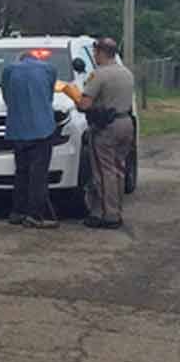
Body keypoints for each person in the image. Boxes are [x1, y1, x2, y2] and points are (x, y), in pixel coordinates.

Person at [73, 37, 135, 229]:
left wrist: (75, 97)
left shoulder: (98, 75)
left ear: (100, 52)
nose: (94, 56)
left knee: (103, 171)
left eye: (95, 53)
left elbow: (85, 104)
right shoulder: (126, 73)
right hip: (125, 123)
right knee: (119, 169)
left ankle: (107, 214)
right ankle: (116, 210)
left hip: (106, 128)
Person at [1, 51, 60, 228]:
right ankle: (36, 215)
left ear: (19, 59)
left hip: (17, 129)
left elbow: (7, 97)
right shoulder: (49, 69)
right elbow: (49, 96)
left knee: (21, 172)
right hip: (43, 129)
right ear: (37, 59)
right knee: (38, 175)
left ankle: (17, 211)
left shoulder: (9, 70)